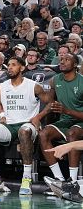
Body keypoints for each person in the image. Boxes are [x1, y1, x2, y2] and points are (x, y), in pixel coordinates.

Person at [0, 57, 52, 195]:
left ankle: (26, 178)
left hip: (27, 124)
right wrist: (2, 116)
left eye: (14, 65)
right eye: (8, 65)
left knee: (24, 131)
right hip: (9, 125)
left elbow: (50, 103)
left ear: (22, 68)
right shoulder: (2, 86)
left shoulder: (33, 85)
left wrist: (38, 117)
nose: (10, 67)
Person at [37, 53, 83, 183]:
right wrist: (38, 116)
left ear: (75, 65)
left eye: (67, 60)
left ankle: (73, 181)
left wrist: (67, 111)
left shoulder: (82, 82)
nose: (62, 62)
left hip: (80, 122)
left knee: (72, 133)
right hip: (66, 120)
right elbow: (50, 102)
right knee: (44, 134)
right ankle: (59, 178)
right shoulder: (55, 80)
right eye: (61, 59)